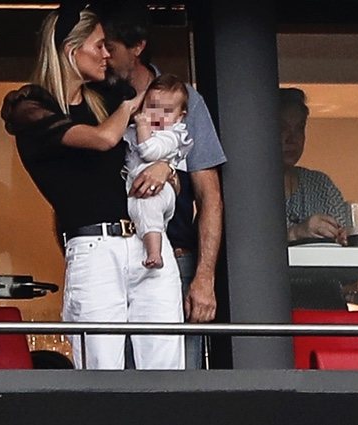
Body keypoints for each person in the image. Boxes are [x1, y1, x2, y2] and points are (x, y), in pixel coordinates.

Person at [1, 2, 184, 370]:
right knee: (102, 371)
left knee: (167, 368)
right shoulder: (31, 104)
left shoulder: (109, 98)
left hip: (148, 238)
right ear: (71, 50)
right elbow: (101, 139)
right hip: (94, 246)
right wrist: (132, 105)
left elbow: (167, 173)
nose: (106, 54)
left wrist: (166, 168)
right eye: (100, 45)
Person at [100, 4, 226, 369]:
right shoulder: (97, 99)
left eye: (110, 47)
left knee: (172, 387)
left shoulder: (184, 100)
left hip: (178, 255)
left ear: (136, 46)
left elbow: (209, 194)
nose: (103, 58)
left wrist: (204, 278)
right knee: (110, 386)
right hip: (110, 259)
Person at [124, 74, 192, 269]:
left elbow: (149, 151)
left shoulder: (172, 135)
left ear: (180, 116)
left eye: (167, 111)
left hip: (159, 189)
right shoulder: (133, 129)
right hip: (136, 185)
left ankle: (155, 253)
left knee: (149, 208)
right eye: (152, 107)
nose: (158, 116)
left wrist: (143, 126)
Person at [280, 87, 348, 244]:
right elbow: (242, 245)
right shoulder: (248, 190)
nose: (292, 138)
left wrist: (343, 236)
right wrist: (296, 233)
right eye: (282, 128)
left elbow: (344, 235)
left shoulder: (321, 185)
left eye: (299, 128)